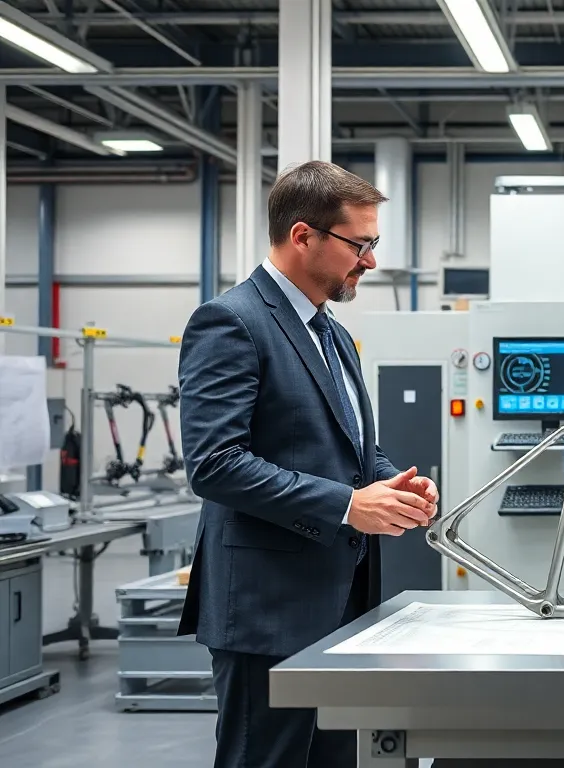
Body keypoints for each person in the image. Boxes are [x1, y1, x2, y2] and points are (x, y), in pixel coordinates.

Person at [176, 160, 439, 768]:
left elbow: (352, 449)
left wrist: (393, 484)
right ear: (302, 236)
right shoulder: (232, 322)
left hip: (342, 602)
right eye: (360, 244)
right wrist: (349, 505)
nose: (370, 260)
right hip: (269, 612)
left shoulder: (333, 333)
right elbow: (215, 463)